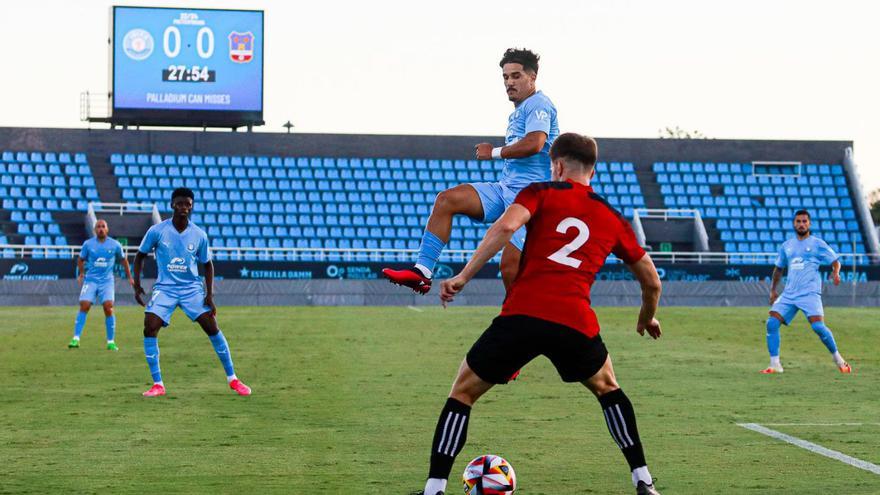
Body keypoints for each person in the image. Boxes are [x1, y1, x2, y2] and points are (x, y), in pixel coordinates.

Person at [412, 133, 662, 495]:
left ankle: (434, 489)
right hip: (574, 320)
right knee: (609, 389)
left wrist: (464, 276)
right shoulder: (612, 217)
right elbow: (652, 283)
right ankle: (643, 480)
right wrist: (647, 316)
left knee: (463, 393)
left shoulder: (540, 192)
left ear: (557, 165)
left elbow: (506, 226)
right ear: (592, 169)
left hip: (523, 313)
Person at [383, 47, 559, 294]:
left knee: (510, 268)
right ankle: (421, 272)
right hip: (506, 189)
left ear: (532, 77)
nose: (509, 82)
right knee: (447, 200)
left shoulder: (539, 103)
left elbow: (535, 143)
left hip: (531, 198)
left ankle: (523, 322)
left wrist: (495, 152)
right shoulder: (519, 111)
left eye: (516, 76)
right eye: (506, 77)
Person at [132, 187, 252, 397]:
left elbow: (208, 265)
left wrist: (209, 295)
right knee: (149, 326)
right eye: (180, 203)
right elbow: (140, 255)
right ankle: (158, 384)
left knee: (212, 326)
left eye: (188, 204)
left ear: (192, 206)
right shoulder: (157, 231)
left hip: (191, 289)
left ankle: (233, 379)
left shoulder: (199, 234)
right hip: (165, 289)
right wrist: (137, 284)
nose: (184, 207)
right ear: (172, 205)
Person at [761, 209, 851, 374]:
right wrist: (773, 290)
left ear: (809, 224)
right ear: (794, 224)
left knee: (818, 327)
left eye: (804, 221)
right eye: (798, 221)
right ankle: (775, 364)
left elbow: (835, 261)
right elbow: (778, 269)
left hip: (809, 294)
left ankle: (839, 359)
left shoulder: (817, 244)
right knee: (771, 323)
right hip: (789, 294)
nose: (801, 224)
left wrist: (836, 272)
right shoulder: (786, 246)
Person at [68, 219, 133, 350]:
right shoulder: (88, 244)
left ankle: (111, 341)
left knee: (108, 307)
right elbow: (80, 259)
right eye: (98, 227)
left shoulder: (115, 245)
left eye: (103, 227)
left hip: (107, 281)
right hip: (91, 280)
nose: (101, 229)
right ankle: (75, 338)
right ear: (94, 230)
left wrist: (130, 277)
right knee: (84, 305)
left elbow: (124, 260)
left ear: (107, 229)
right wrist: (81, 273)